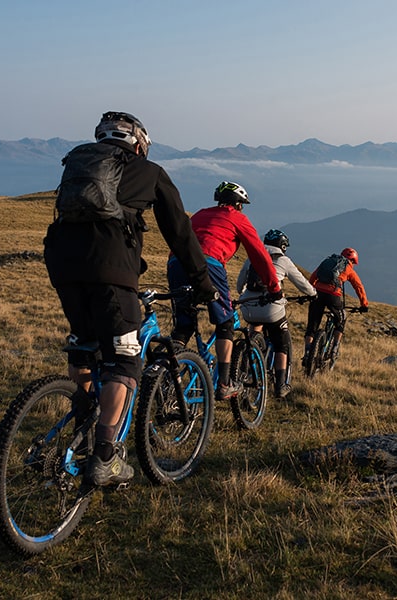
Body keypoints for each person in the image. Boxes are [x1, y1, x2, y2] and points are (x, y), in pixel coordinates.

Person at [43, 111, 216, 488]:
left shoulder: (80, 164)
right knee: (124, 361)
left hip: (61, 267)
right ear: (139, 144)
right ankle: (106, 458)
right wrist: (202, 283)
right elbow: (181, 234)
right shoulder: (148, 171)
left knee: (86, 346)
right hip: (110, 274)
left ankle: (85, 420)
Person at [167, 181, 282, 401]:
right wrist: (274, 287)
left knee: (184, 325)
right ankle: (224, 384)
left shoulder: (200, 214)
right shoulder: (237, 218)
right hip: (209, 264)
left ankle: (166, 374)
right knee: (225, 323)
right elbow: (259, 254)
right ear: (239, 205)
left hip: (176, 263)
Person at [236, 229, 316, 398]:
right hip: (271, 308)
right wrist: (313, 294)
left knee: (254, 329)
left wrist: (246, 294)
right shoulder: (283, 260)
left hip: (248, 307)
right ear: (283, 246)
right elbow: (302, 282)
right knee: (282, 343)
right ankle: (280, 385)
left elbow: (239, 284)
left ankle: (246, 362)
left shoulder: (252, 257)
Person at [303, 247, 369, 365]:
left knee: (312, 326)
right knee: (341, 319)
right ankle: (334, 348)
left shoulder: (328, 262)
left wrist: (311, 291)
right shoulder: (348, 268)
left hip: (317, 293)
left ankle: (308, 352)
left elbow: (313, 277)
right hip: (333, 296)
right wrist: (364, 304)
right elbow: (358, 287)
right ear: (353, 260)